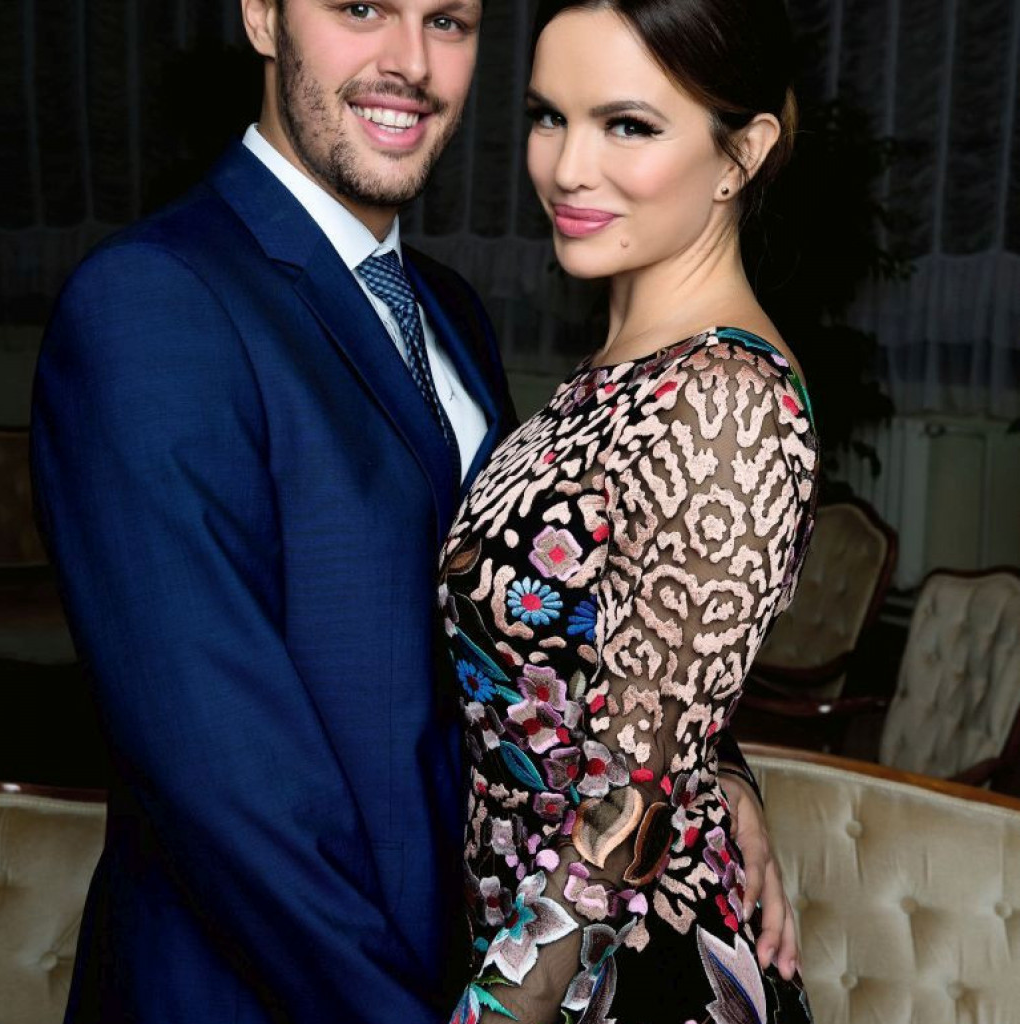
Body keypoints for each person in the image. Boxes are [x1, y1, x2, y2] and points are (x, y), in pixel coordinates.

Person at [30, 2, 793, 1022]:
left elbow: (562, 603)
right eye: (360, 7)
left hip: (484, 963)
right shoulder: (153, 302)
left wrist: (701, 765)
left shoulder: (450, 310)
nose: (411, 63)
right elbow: (223, 784)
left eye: (447, 20)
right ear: (261, 15)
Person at [439, 1, 817, 1022]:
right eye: (548, 116)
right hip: (534, 947)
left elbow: (626, 821)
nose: (567, 168)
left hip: (626, 977)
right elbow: (644, 670)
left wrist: (488, 1014)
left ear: (740, 155)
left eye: (629, 125)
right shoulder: (620, 370)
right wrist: (719, 766)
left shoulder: (726, 399)